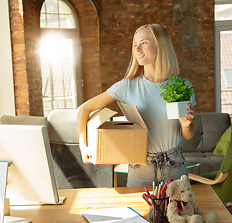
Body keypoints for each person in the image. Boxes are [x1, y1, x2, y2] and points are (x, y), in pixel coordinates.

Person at [77, 23, 196, 187]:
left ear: (160, 45)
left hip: (174, 165)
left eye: (144, 42)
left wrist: (186, 124)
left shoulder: (182, 86)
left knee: (176, 213)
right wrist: (84, 146)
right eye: (135, 44)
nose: (137, 49)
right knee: (139, 214)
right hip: (140, 167)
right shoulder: (127, 87)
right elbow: (84, 109)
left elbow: (189, 135)